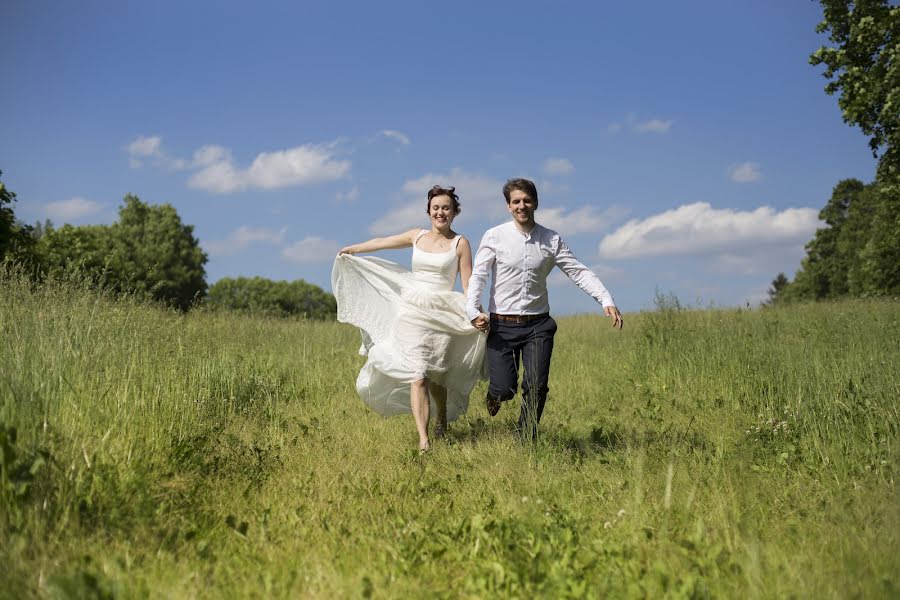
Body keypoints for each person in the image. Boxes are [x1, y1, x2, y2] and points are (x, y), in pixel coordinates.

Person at [466, 178, 623, 440]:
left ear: (535, 203)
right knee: (505, 388)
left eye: (527, 200)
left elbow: (577, 271)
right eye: (516, 201)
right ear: (508, 206)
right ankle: (495, 394)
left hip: (538, 325)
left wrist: (605, 298)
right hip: (502, 325)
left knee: (536, 385)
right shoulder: (494, 236)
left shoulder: (551, 239)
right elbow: (479, 277)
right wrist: (473, 311)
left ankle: (526, 436)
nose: (522, 205)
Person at [332, 185, 485, 453]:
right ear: (429, 211)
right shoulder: (417, 236)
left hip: (442, 313)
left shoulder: (460, 244)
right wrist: (355, 249)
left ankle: (443, 421)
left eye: (446, 208)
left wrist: (476, 312)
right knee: (418, 375)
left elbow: (468, 281)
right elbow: (383, 242)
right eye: (436, 207)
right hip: (412, 310)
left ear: (455, 212)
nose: (441, 212)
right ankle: (424, 440)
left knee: (437, 375)